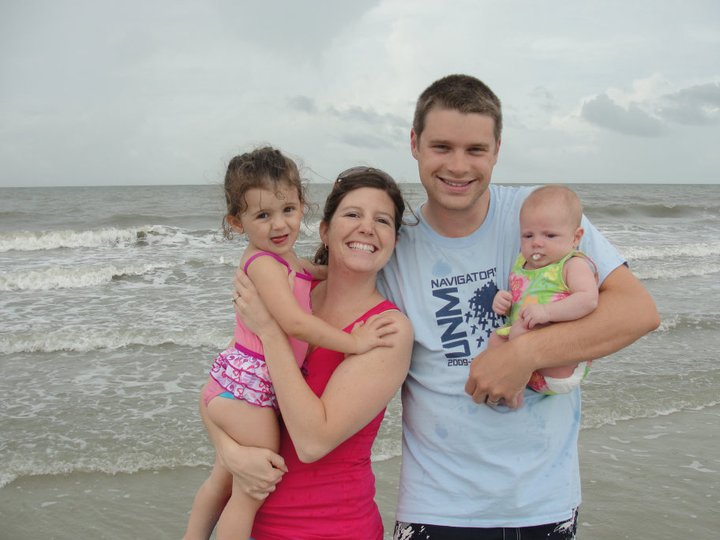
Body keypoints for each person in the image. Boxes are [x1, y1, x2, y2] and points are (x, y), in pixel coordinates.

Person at [375, 74, 660, 539]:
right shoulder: (393, 245)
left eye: (476, 149)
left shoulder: (540, 216)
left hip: (542, 500)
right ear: (414, 143)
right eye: (442, 147)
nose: (458, 166)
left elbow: (638, 311)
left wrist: (523, 354)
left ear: (497, 150)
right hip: (436, 504)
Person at [183, 150, 398, 540]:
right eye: (353, 215)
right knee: (239, 483)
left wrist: (269, 331)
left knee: (234, 483)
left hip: (333, 530)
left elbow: (311, 442)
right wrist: (230, 452)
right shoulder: (283, 285)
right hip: (263, 528)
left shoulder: (385, 328)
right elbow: (214, 392)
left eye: (382, 220)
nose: (366, 228)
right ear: (325, 230)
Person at [489, 184, 599, 395]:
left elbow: (588, 299)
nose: (537, 243)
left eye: (549, 235)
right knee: (496, 339)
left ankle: (513, 387)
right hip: (532, 361)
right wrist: (505, 302)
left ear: (575, 238)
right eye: (528, 236)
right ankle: (508, 390)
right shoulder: (521, 264)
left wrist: (547, 312)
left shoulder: (571, 264)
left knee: (520, 332)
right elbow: (523, 298)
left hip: (561, 361)